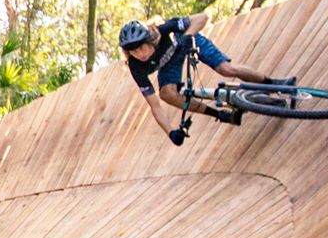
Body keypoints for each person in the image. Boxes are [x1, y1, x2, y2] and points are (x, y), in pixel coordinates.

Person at [118, 14, 288, 144]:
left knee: (227, 69)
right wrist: (170, 133)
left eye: (141, 48)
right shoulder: (136, 67)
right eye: (133, 52)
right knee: (166, 94)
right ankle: (219, 114)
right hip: (170, 64)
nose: (140, 55)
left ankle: (274, 84)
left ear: (149, 40)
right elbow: (154, 105)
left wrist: (187, 36)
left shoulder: (163, 30)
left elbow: (202, 17)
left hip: (187, 41)